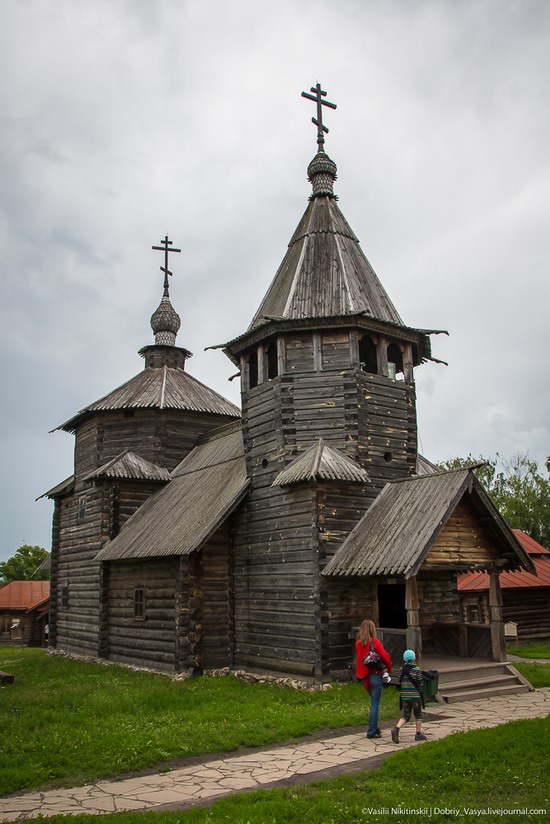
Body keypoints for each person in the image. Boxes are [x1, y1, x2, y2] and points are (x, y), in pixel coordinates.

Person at [355, 619, 392, 739]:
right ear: (372, 629)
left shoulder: (358, 644)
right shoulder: (375, 642)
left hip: (365, 677)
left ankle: (375, 728)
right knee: (375, 704)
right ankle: (372, 731)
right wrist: (388, 664)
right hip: (375, 675)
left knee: (373, 702)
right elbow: (384, 656)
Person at [391, 649, 427, 743]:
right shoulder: (417, 670)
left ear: (404, 659)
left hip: (404, 696)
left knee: (406, 715)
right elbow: (420, 682)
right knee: (418, 715)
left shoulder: (401, 669)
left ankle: (396, 728)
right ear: (414, 658)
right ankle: (418, 734)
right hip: (415, 697)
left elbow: (400, 679)